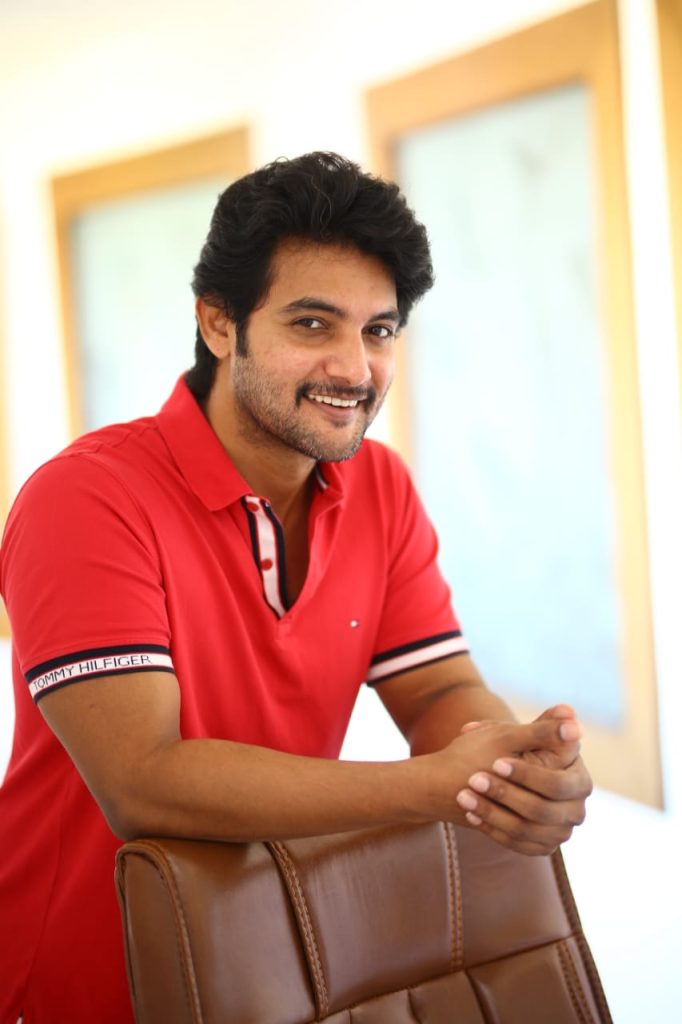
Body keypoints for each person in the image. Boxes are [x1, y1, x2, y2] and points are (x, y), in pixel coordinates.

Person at [0, 151, 591, 1023]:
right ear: (219, 323)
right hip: (79, 984)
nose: (354, 368)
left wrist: (506, 768)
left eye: (379, 331)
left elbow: (436, 690)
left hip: (273, 964)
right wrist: (438, 786)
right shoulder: (85, 498)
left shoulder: (380, 487)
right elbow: (145, 781)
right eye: (313, 324)